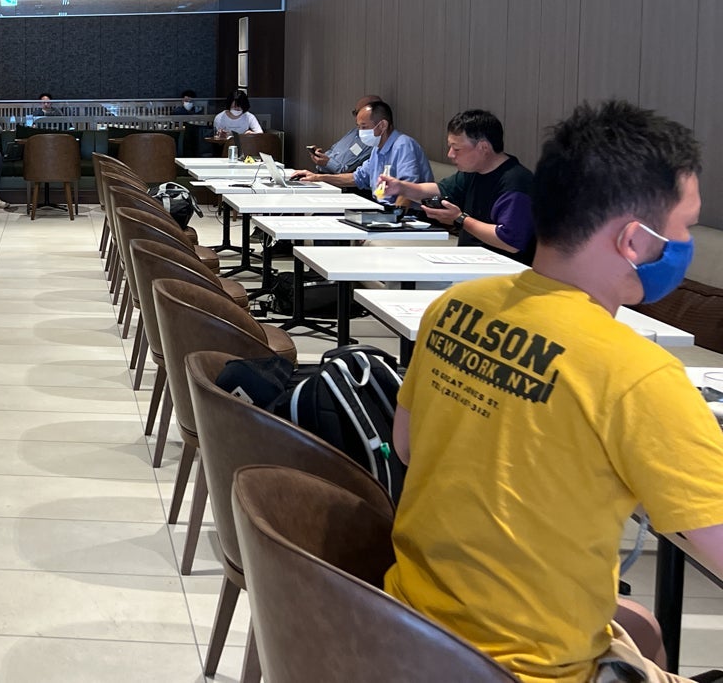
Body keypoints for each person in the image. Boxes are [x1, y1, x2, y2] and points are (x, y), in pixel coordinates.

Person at [385, 100, 723, 683]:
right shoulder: (639, 375)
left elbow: (407, 445)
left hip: (407, 625)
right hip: (531, 668)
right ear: (633, 241)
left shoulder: (453, 307)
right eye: (683, 228)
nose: (686, 242)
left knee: (641, 626)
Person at [380, 109, 536, 261]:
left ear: (483, 147)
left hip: (504, 268)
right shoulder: (472, 172)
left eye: (457, 149)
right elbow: (437, 191)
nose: (450, 154)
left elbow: (510, 242)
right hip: (470, 260)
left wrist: (460, 219)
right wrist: (400, 187)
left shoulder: (516, 182)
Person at [294, 99, 432, 204]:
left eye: (364, 127)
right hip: (380, 207)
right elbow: (358, 177)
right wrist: (317, 178)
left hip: (408, 216)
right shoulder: (377, 148)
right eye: (359, 127)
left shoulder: (403, 145)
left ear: (382, 125)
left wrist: (391, 221)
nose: (360, 132)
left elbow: (407, 190)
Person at [307, 95, 383, 174]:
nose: (357, 117)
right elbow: (333, 150)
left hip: (335, 179)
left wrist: (327, 163)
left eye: (360, 113)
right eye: (355, 113)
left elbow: (350, 173)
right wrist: (321, 156)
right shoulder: (354, 131)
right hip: (319, 173)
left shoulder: (373, 141)